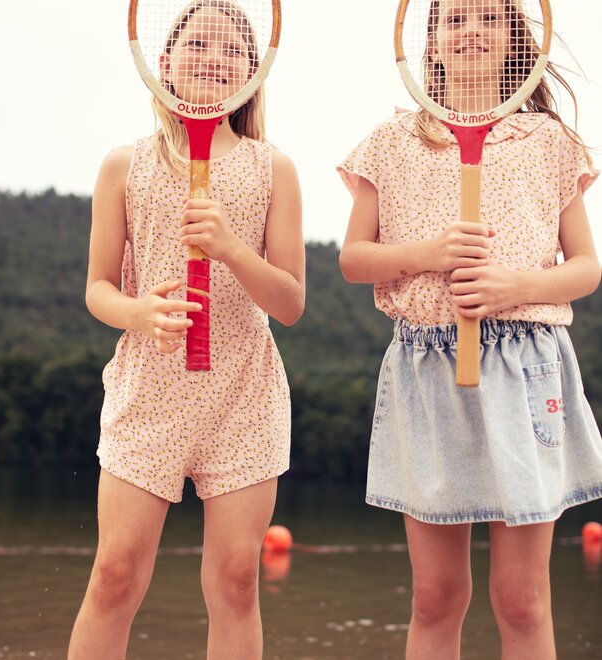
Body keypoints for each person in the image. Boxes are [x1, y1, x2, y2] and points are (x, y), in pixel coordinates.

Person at [338, 1, 601, 658]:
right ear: (430, 45)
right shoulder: (389, 141)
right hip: (426, 367)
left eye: (490, 17)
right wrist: (427, 253)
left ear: (518, 41)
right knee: (435, 595)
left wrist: (516, 286)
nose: (472, 29)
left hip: (525, 366)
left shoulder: (552, 142)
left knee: (521, 597)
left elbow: (586, 268)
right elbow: (353, 258)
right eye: (455, 17)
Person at [68, 2, 304, 658]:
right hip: (149, 393)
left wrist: (231, 248)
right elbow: (98, 289)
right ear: (163, 64)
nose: (212, 58)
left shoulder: (272, 168)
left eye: (231, 50)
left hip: (242, 397)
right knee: (114, 574)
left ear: (252, 76)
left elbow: (289, 303)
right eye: (197, 43)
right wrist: (139, 312)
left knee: (234, 582)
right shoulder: (123, 164)